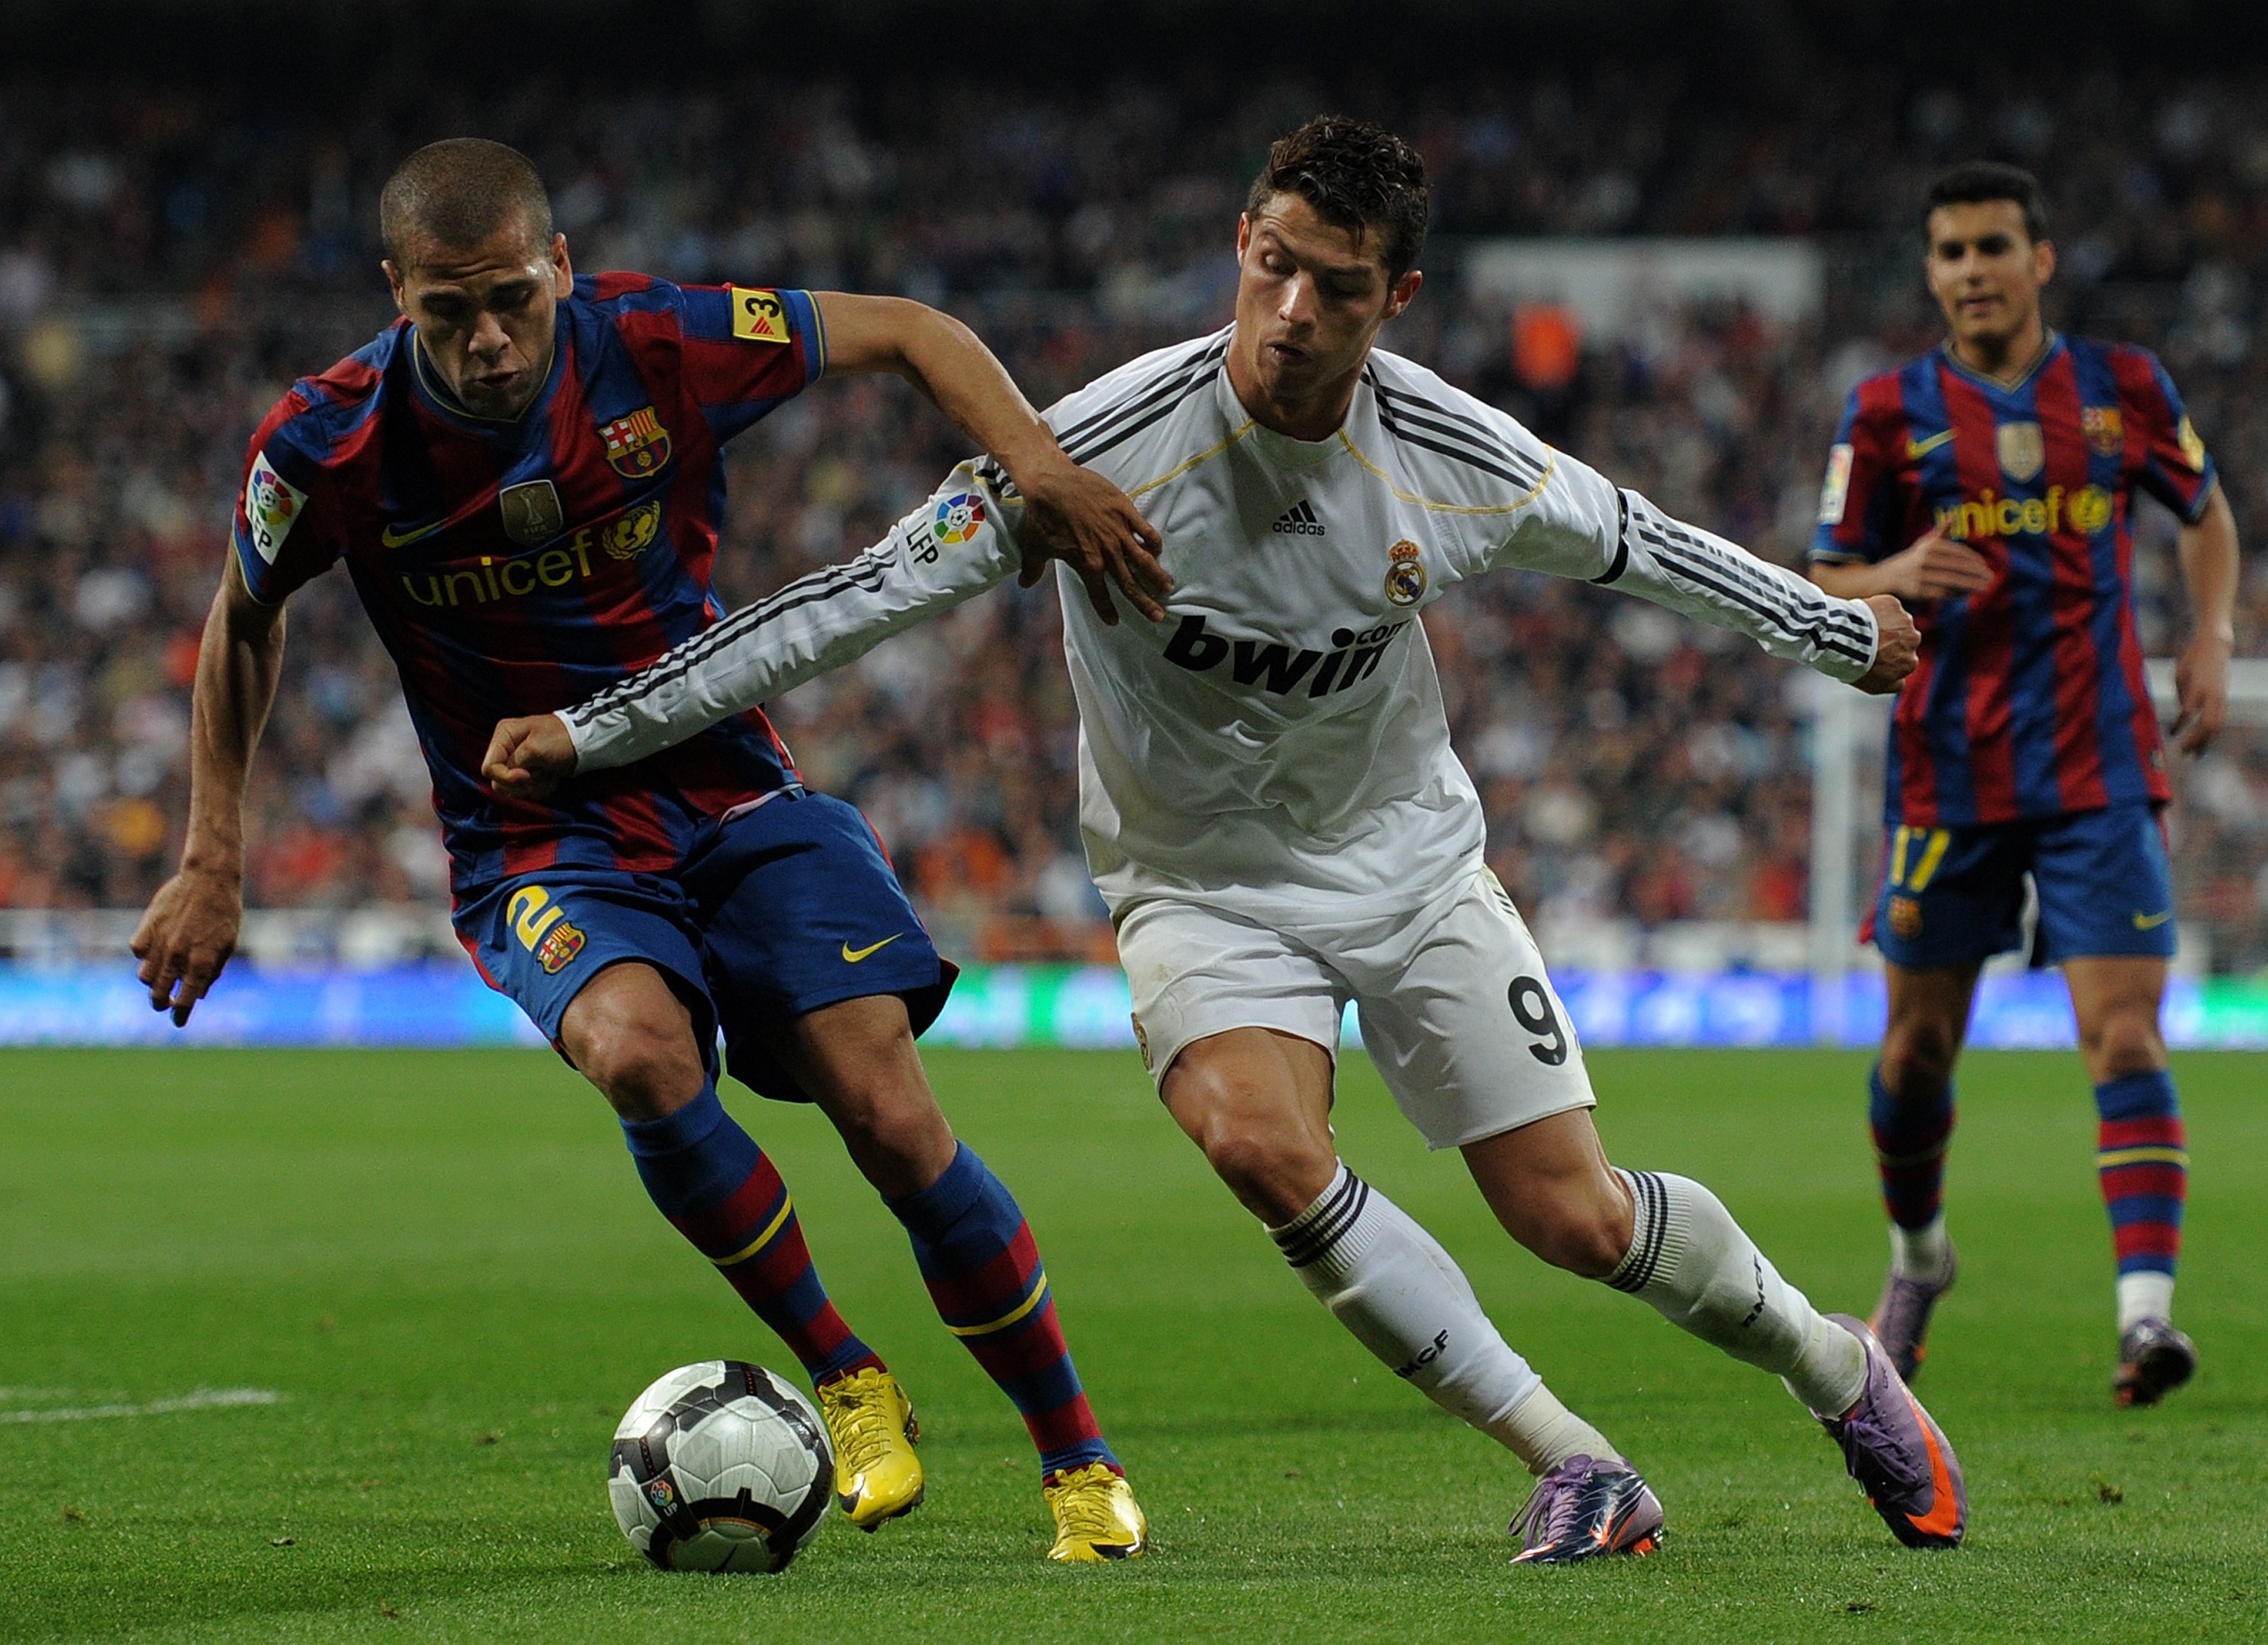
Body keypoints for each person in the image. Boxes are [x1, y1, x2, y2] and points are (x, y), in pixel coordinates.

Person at [486, 117, 1960, 1563]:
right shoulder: (1094, 452)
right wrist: (596, 728)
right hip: (1197, 880)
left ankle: (1833, 1366)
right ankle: (1576, 1461)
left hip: (1409, 857)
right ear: (1240, 248)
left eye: (1335, 284)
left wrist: (1833, 628)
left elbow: (1643, 541)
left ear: (1399, 301)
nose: (1292, 311)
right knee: (1260, 1143)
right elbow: (851, 598)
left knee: (1570, 1213)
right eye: (1272, 265)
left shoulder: (1452, 455)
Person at [129, 137, 1169, 1561]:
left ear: (560, 266)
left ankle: (1079, 1465)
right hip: (533, 834)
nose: (489, 342)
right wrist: (211, 853)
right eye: (448, 314)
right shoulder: (329, 443)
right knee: (637, 1055)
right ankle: (850, 1375)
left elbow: (914, 331)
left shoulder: (657, 339)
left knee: (889, 1115)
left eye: (513, 299)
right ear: (396, 297)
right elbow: (244, 614)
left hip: (729, 783)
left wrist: (1037, 468)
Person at [1805, 163, 2235, 1408]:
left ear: (2041, 259)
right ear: (1931, 272)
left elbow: (2205, 513)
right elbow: (1825, 576)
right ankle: (1919, 1259)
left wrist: (2210, 636)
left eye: (1995, 245)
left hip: (2101, 762)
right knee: (1918, 1051)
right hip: (1948, 775)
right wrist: (1899, 567)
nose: (1973, 270)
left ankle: (2147, 1320)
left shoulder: (2124, 386)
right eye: (1951, 252)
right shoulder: (1886, 409)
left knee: (2124, 1032)